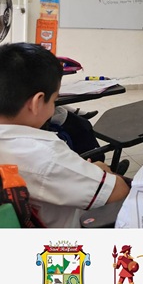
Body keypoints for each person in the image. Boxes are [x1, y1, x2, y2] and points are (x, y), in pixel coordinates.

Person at [0, 43, 130, 228]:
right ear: (37, 103)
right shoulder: (47, 153)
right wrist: (102, 171)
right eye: (54, 100)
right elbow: (118, 192)